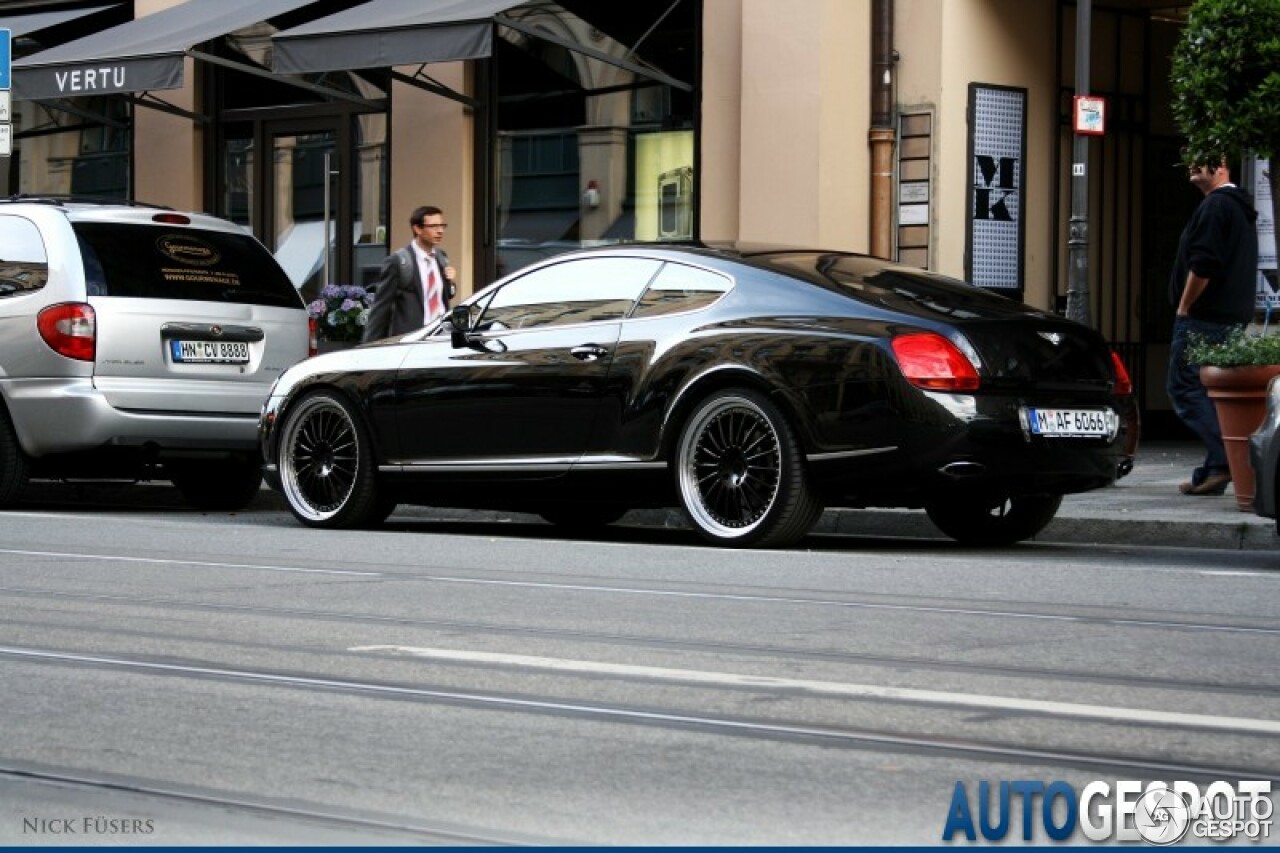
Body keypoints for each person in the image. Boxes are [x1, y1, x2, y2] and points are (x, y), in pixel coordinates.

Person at [1166, 155, 1259, 495]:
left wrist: (1184, 306)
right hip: (1229, 317)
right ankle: (1215, 469)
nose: (1192, 164)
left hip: (1203, 319)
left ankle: (1228, 459)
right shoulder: (1237, 208)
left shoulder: (1217, 207)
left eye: (1203, 160)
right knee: (1210, 393)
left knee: (1185, 388)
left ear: (1223, 167)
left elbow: (1203, 263)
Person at [363, 205, 457, 342]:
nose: (440, 231)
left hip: (441, 337)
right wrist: (369, 345)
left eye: (443, 226)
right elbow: (381, 307)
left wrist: (451, 282)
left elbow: (445, 295)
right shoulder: (398, 262)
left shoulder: (441, 257)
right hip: (413, 339)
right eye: (434, 226)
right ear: (417, 229)